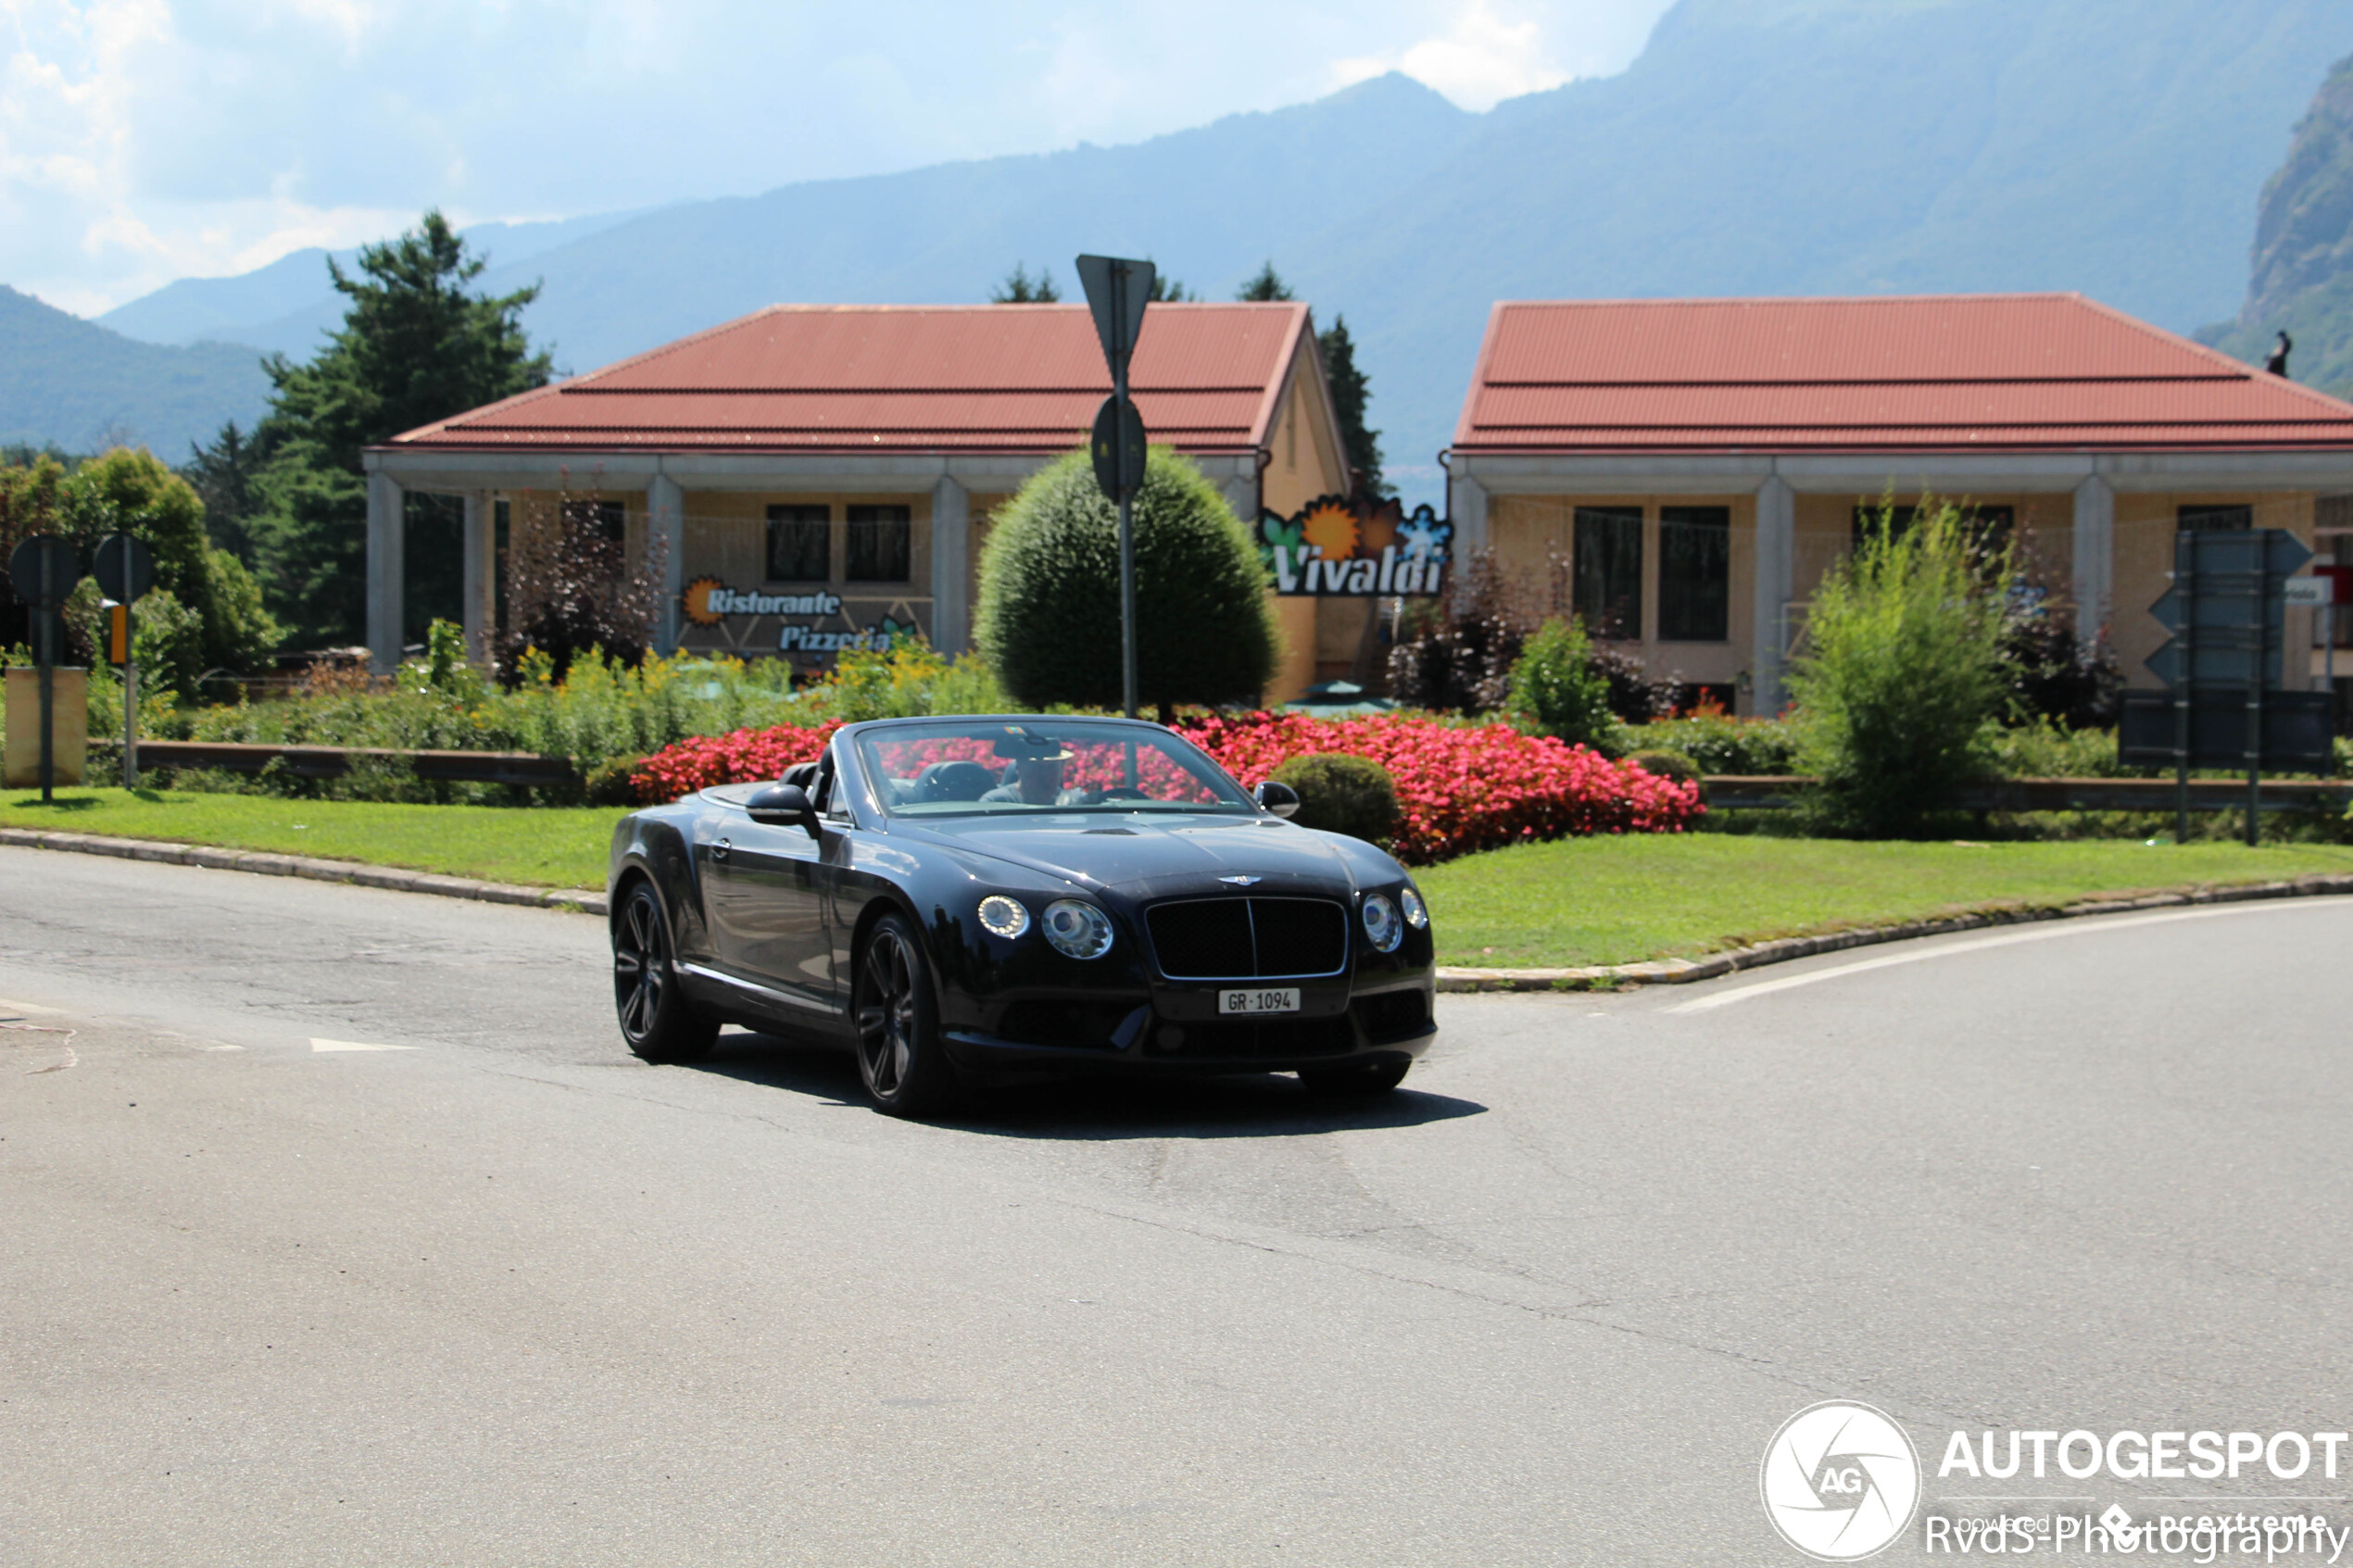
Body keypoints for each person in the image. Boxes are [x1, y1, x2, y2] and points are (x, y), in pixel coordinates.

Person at [979, 741, 1074, 805]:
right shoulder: (996, 803)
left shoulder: (1073, 802)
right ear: (1019, 768)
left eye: (1051, 767)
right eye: (1036, 767)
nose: (1044, 775)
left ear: (1061, 769)